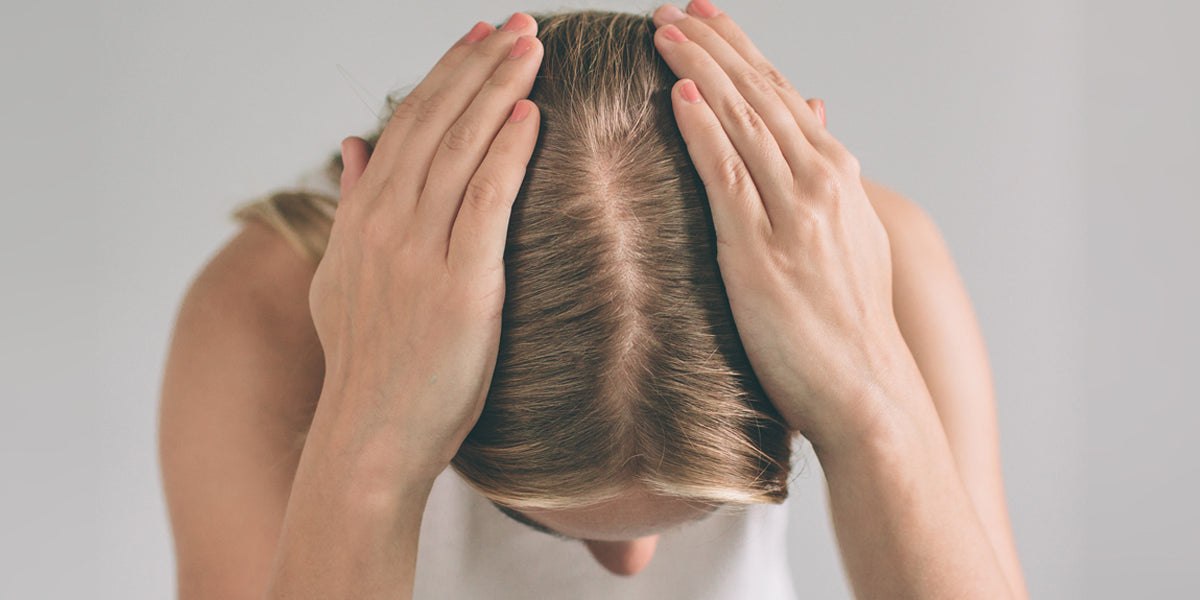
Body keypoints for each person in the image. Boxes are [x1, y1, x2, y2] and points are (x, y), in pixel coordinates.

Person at [158, 3, 1030, 599]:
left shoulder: (873, 268)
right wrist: (371, 440)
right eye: (528, 517)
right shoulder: (263, 315)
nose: (631, 566)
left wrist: (872, 408)